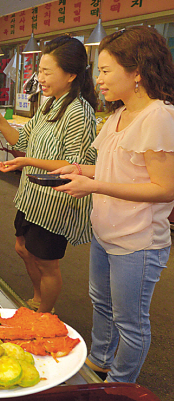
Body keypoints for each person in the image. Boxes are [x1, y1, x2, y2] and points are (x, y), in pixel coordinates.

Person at [53, 26, 174, 383]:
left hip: (137, 241)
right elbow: (110, 166)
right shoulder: (118, 115)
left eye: (105, 70)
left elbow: (165, 188)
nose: (99, 80)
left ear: (136, 71)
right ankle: (101, 361)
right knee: (101, 305)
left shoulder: (159, 117)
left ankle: (120, 385)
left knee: (131, 321)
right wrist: (78, 169)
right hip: (106, 232)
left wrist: (94, 185)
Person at [0, 35, 98, 313]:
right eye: (39, 70)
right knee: (22, 248)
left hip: (55, 201)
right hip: (32, 197)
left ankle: (45, 313)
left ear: (70, 74)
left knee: (47, 263)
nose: (40, 78)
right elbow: (21, 142)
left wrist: (27, 162)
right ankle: (37, 298)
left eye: (47, 72)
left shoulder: (79, 112)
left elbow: (74, 165)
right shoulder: (49, 104)